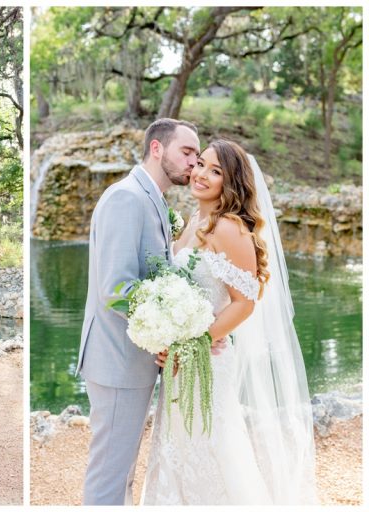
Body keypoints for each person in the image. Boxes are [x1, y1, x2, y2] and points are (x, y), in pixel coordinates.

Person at [142, 140, 317, 504]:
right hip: (178, 361)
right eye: (201, 164)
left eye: (216, 171)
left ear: (231, 181)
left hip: (205, 360)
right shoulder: (193, 222)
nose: (202, 174)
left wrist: (194, 344)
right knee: (176, 447)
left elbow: (245, 302)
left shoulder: (229, 228)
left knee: (211, 449)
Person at [76, 118, 210, 505]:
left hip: (133, 361)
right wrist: (174, 329)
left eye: (196, 155)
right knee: (109, 478)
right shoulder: (126, 198)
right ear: (156, 148)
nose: (192, 163)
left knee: (122, 476)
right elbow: (116, 289)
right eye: (186, 152)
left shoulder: (153, 200)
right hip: (117, 361)